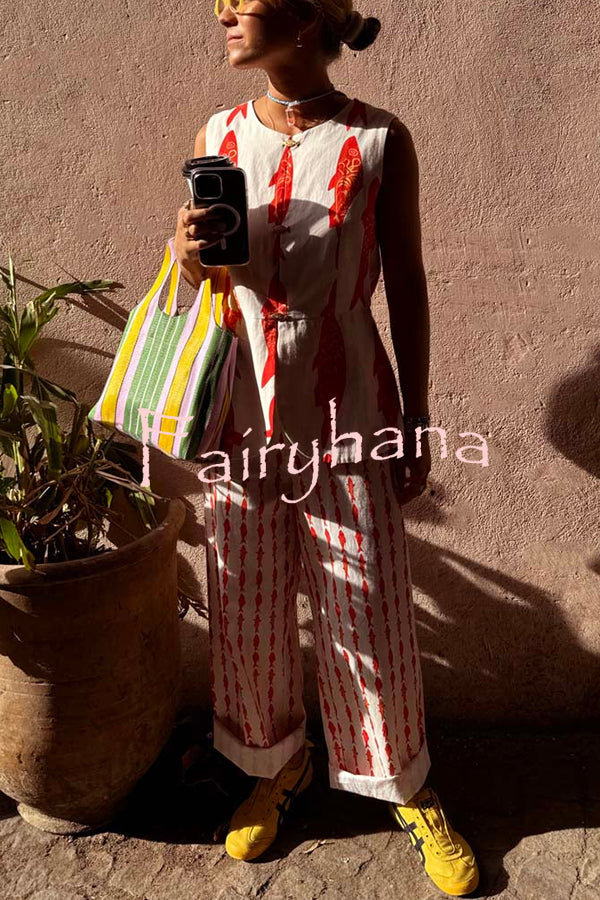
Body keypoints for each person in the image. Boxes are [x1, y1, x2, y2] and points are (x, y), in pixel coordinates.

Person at [174, 1, 480, 895]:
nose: (222, 11)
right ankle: (277, 766)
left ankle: (406, 787)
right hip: (241, 406)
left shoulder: (380, 139)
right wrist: (186, 254)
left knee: (370, 608)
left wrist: (415, 415)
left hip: (349, 404)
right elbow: (208, 280)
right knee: (248, 601)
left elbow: (407, 282)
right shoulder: (219, 134)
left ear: (307, 19)